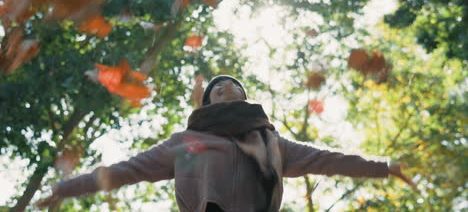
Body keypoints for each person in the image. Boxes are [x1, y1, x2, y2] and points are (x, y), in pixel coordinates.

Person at [38, 75, 415, 212]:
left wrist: (384, 167)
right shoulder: (185, 142)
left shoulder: (269, 140)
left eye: (233, 84)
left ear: (242, 96)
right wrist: (65, 188)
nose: (224, 86)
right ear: (207, 101)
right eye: (216, 86)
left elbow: (327, 159)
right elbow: (126, 171)